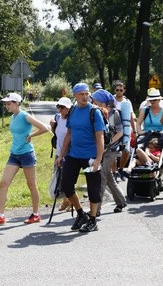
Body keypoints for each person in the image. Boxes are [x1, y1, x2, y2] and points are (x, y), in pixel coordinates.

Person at [0, 92, 50, 225]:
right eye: (6, 104)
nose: (7, 106)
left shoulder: (24, 115)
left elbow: (45, 128)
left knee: (31, 185)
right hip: (14, 154)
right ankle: (0, 216)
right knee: (3, 183)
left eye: (9, 103)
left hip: (27, 154)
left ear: (17, 104)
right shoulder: (13, 117)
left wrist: (31, 135)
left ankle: (36, 214)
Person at [56, 83, 105, 233]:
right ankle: (80, 214)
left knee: (93, 188)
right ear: (75, 96)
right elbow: (69, 134)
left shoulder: (94, 112)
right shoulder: (73, 111)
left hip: (90, 156)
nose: (85, 97)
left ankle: (92, 219)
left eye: (86, 94)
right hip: (74, 155)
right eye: (81, 94)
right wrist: (62, 154)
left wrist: (98, 159)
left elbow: (100, 136)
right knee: (66, 185)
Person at [91, 89, 127, 214]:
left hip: (112, 149)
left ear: (102, 102)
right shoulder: (97, 113)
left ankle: (96, 209)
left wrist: (108, 143)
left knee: (101, 177)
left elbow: (120, 132)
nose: (93, 103)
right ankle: (121, 202)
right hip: (102, 149)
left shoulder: (114, 114)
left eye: (95, 101)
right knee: (109, 178)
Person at [50, 97, 73, 211]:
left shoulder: (71, 120)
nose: (60, 109)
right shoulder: (58, 118)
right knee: (58, 176)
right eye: (59, 106)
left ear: (68, 108)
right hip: (58, 152)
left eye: (63, 107)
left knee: (66, 179)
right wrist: (52, 126)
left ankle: (70, 200)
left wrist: (63, 154)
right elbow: (56, 134)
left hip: (68, 154)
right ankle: (67, 200)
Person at [112, 81, 137, 180]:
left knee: (126, 151)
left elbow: (131, 116)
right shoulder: (111, 100)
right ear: (114, 90)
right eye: (117, 90)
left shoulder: (127, 102)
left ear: (124, 90)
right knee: (113, 152)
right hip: (114, 129)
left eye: (121, 90)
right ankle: (113, 173)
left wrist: (134, 131)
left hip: (126, 129)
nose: (119, 92)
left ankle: (121, 169)